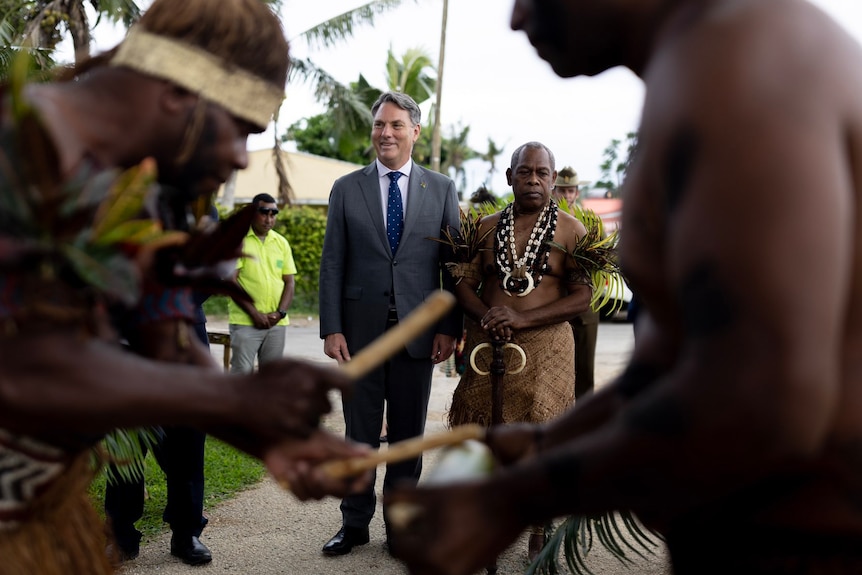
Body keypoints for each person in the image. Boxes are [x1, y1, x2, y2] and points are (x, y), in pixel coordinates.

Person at [384, 1, 862, 574]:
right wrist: (540, 454)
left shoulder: (744, 62)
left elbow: (768, 396)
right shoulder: (703, 62)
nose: (516, 17)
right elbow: (672, 361)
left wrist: (518, 495)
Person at [0, 2, 370, 573]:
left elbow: (167, 337)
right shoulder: (18, 142)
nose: (238, 157)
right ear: (178, 93)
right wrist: (234, 398)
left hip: (35, 512)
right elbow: (21, 369)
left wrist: (269, 436)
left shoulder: (156, 192)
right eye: (239, 129)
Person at [318, 91, 462, 556]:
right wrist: (331, 327)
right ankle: (354, 524)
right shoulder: (346, 187)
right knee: (359, 435)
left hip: (418, 336)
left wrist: (450, 327)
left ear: (415, 132)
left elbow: (453, 266)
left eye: (397, 125)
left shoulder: (440, 189)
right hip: (359, 336)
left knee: (407, 436)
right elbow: (332, 263)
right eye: (380, 124)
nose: (386, 133)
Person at [445, 142, 591, 560]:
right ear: (509, 178)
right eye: (524, 172)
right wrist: (489, 315)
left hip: (547, 350)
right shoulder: (486, 227)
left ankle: (539, 528)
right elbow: (461, 283)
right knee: (484, 435)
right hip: (491, 346)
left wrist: (522, 319)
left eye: (542, 173)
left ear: (553, 178)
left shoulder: (571, 230)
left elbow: (582, 296)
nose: (533, 180)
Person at [228, 193, 296, 374]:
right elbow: (230, 281)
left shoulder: (281, 243)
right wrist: (254, 313)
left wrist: (280, 313)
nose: (269, 218)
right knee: (242, 375)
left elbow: (289, 282)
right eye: (264, 212)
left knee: (271, 378)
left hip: (276, 324)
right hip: (245, 322)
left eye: (273, 213)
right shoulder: (238, 241)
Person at [552, 166, 600, 399]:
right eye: (563, 190)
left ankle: (583, 416)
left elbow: (602, 259)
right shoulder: (544, 218)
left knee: (584, 365)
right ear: (554, 190)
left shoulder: (591, 220)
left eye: (571, 191)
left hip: (584, 302)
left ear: (577, 193)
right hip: (551, 297)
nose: (567, 196)